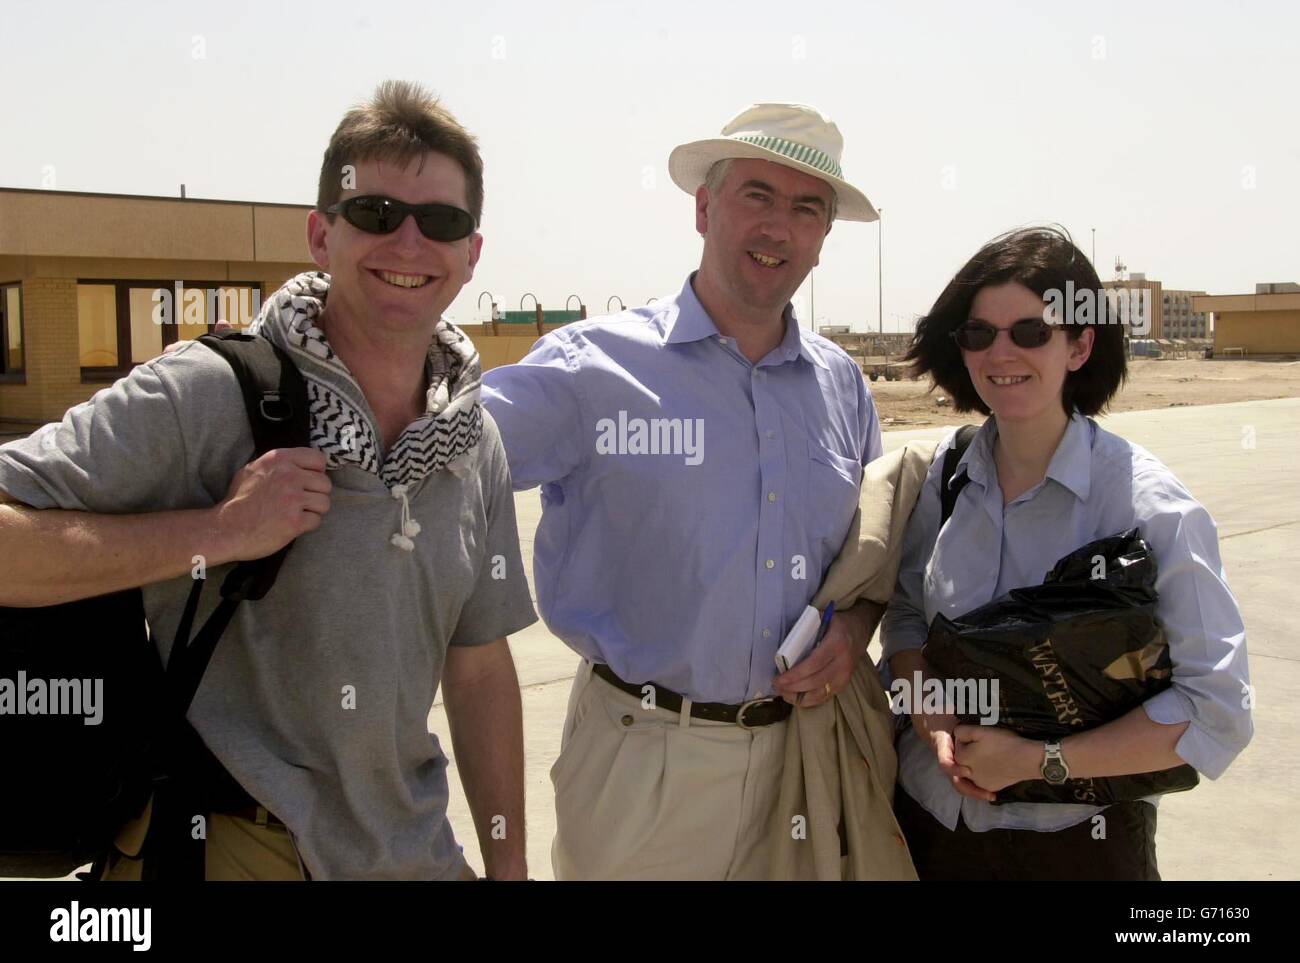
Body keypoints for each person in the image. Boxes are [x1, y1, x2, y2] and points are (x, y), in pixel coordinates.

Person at [0, 81, 537, 880]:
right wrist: (217, 533)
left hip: (410, 850)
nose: (409, 243)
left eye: (442, 222)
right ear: (322, 236)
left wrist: (510, 867)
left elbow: (480, 665)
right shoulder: (212, 394)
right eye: (376, 214)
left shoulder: (472, 438)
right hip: (231, 845)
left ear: (472, 254)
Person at [482, 103, 884, 879]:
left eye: (806, 209)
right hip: (643, 769)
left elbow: (872, 557)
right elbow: (437, 453)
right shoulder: (590, 371)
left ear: (824, 237)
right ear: (704, 207)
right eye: (757, 196)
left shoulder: (842, 387)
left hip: (804, 763)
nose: (779, 228)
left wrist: (855, 626)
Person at [878, 226, 1253, 879]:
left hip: (1074, 844)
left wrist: (1039, 760)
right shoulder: (949, 470)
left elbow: (1215, 708)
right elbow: (908, 617)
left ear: (1080, 344)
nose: (1002, 353)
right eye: (979, 333)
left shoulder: (1146, 508)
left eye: (1030, 332)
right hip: (926, 830)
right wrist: (932, 717)